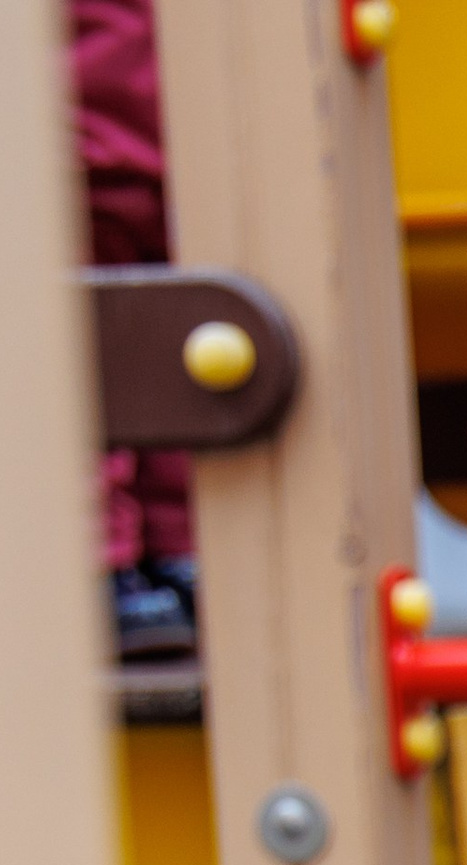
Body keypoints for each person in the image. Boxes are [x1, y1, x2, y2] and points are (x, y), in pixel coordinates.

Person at [68, 0, 197, 661]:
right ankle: (147, 557)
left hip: (105, 143)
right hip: (151, 140)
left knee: (113, 353)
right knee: (141, 350)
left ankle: (147, 558)